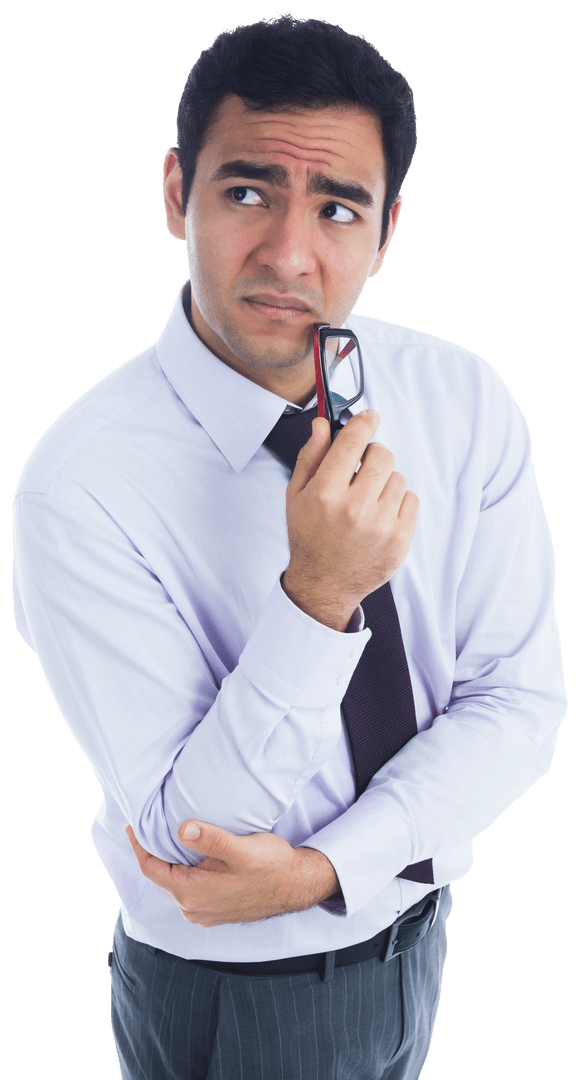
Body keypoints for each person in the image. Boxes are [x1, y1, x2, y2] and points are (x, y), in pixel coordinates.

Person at [11, 14, 566, 1080]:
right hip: (236, 989)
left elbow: (519, 704)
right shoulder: (80, 482)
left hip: (420, 934)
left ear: (386, 230)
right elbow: (192, 843)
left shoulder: (461, 398)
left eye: (337, 206)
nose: (287, 253)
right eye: (247, 192)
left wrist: (326, 870)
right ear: (177, 191)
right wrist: (318, 596)